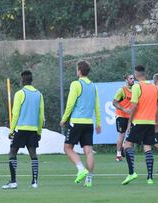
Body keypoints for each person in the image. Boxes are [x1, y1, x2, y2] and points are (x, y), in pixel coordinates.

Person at [60, 60, 101, 188]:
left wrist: (64, 118)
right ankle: (89, 179)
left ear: (79, 71)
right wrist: (98, 122)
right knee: (88, 151)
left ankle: (81, 168)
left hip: (77, 121)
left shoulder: (76, 84)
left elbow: (70, 104)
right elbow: (97, 106)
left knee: (67, 148)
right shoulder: (93, 86)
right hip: (89, 122)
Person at [2, 70, 44, 189]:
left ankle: (13, 181)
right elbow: (41, 116)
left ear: (22, 80)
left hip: (21, 129)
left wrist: (11, 130)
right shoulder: (39, 94)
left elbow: (15, 114)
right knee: (33, 155)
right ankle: (34, 182)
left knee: (12, 153)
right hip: (33, 130)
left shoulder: (20, 93)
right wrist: (39, 131)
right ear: (32, 81)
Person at [122, 65, 158, 185]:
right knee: (147, 147)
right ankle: (150, 178)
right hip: (150, 122)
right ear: (145, 73)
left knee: (127, 146)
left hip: (138, 122)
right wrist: (155, 121)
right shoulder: (154, 87)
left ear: (136, 74)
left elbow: (133, 106)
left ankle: (131, 173)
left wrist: (129, 122)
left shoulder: (137, 86)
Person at [113, 74, 134, 161]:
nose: (133, 80)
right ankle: (118, 155)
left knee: (131, 135)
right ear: (126, 79)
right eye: (131, 78)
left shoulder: (135, 89)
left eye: (133, 78)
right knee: (122, 134)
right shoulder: (122, 90)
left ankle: (126, 150)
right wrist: (123, 109)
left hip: (131, 117)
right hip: (121, 115)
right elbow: (114, 102)